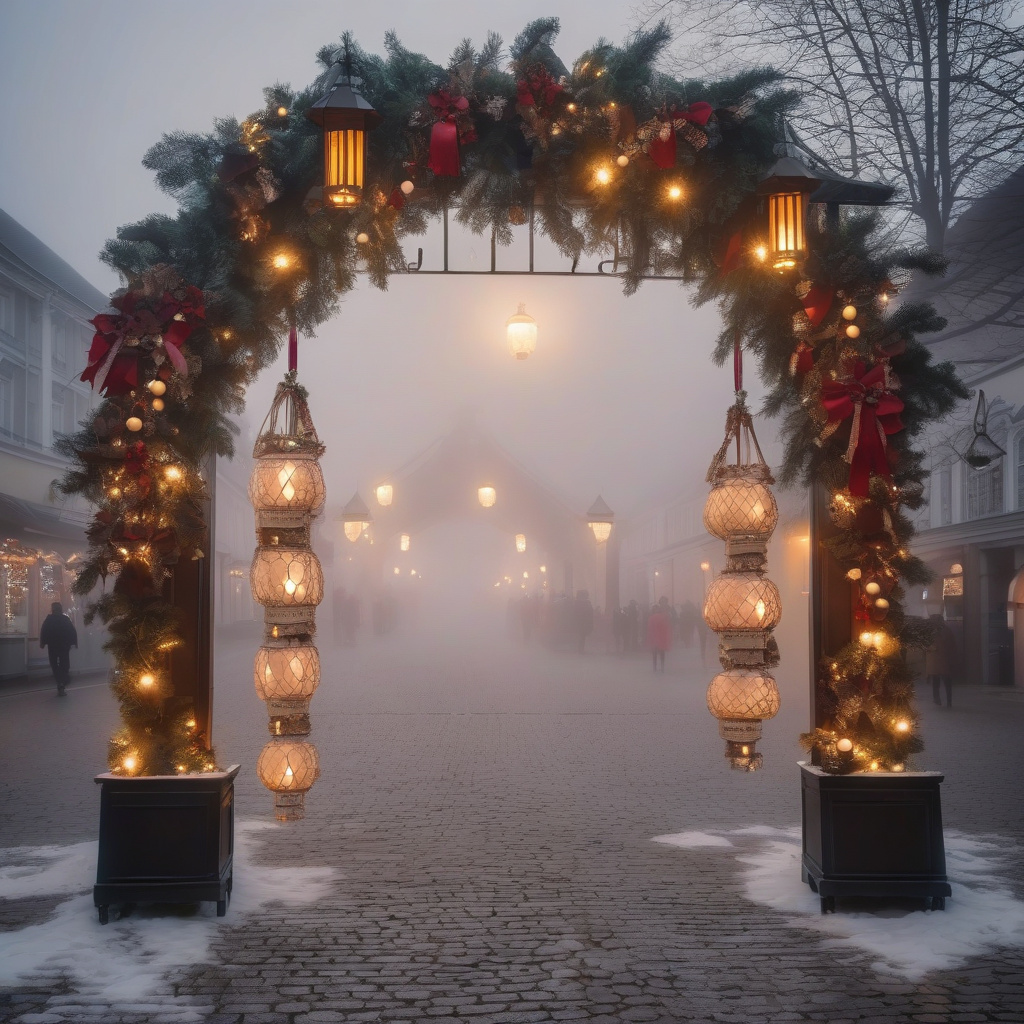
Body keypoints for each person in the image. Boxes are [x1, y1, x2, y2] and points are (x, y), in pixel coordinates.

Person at [39, 601, 78, 696]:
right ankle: (62, 681)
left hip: (53, 645)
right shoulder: (65, 619)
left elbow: (44, 631)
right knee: (64, 664)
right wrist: (74, 642)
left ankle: (59, 681)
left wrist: (43, 643)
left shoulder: (49, 620)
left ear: (52, 609)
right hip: (64, 645)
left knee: (54, 664)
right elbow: (72, 631)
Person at [925, 613, 957, 707]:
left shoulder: (932, 632)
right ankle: (947, 701)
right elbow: (952, 646)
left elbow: (926, 645)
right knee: (946, 682)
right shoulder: (947, 631)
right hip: (943, 661)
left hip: (937, 661)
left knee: (937, 681)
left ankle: (938, 699)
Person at [647, 596, 672, 672]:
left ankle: (660, 666)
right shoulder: (659, 616)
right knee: (657, 652)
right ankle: (658, 666)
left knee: (660, 652)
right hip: (658, 636)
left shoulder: (668, 611)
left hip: (659, 636)